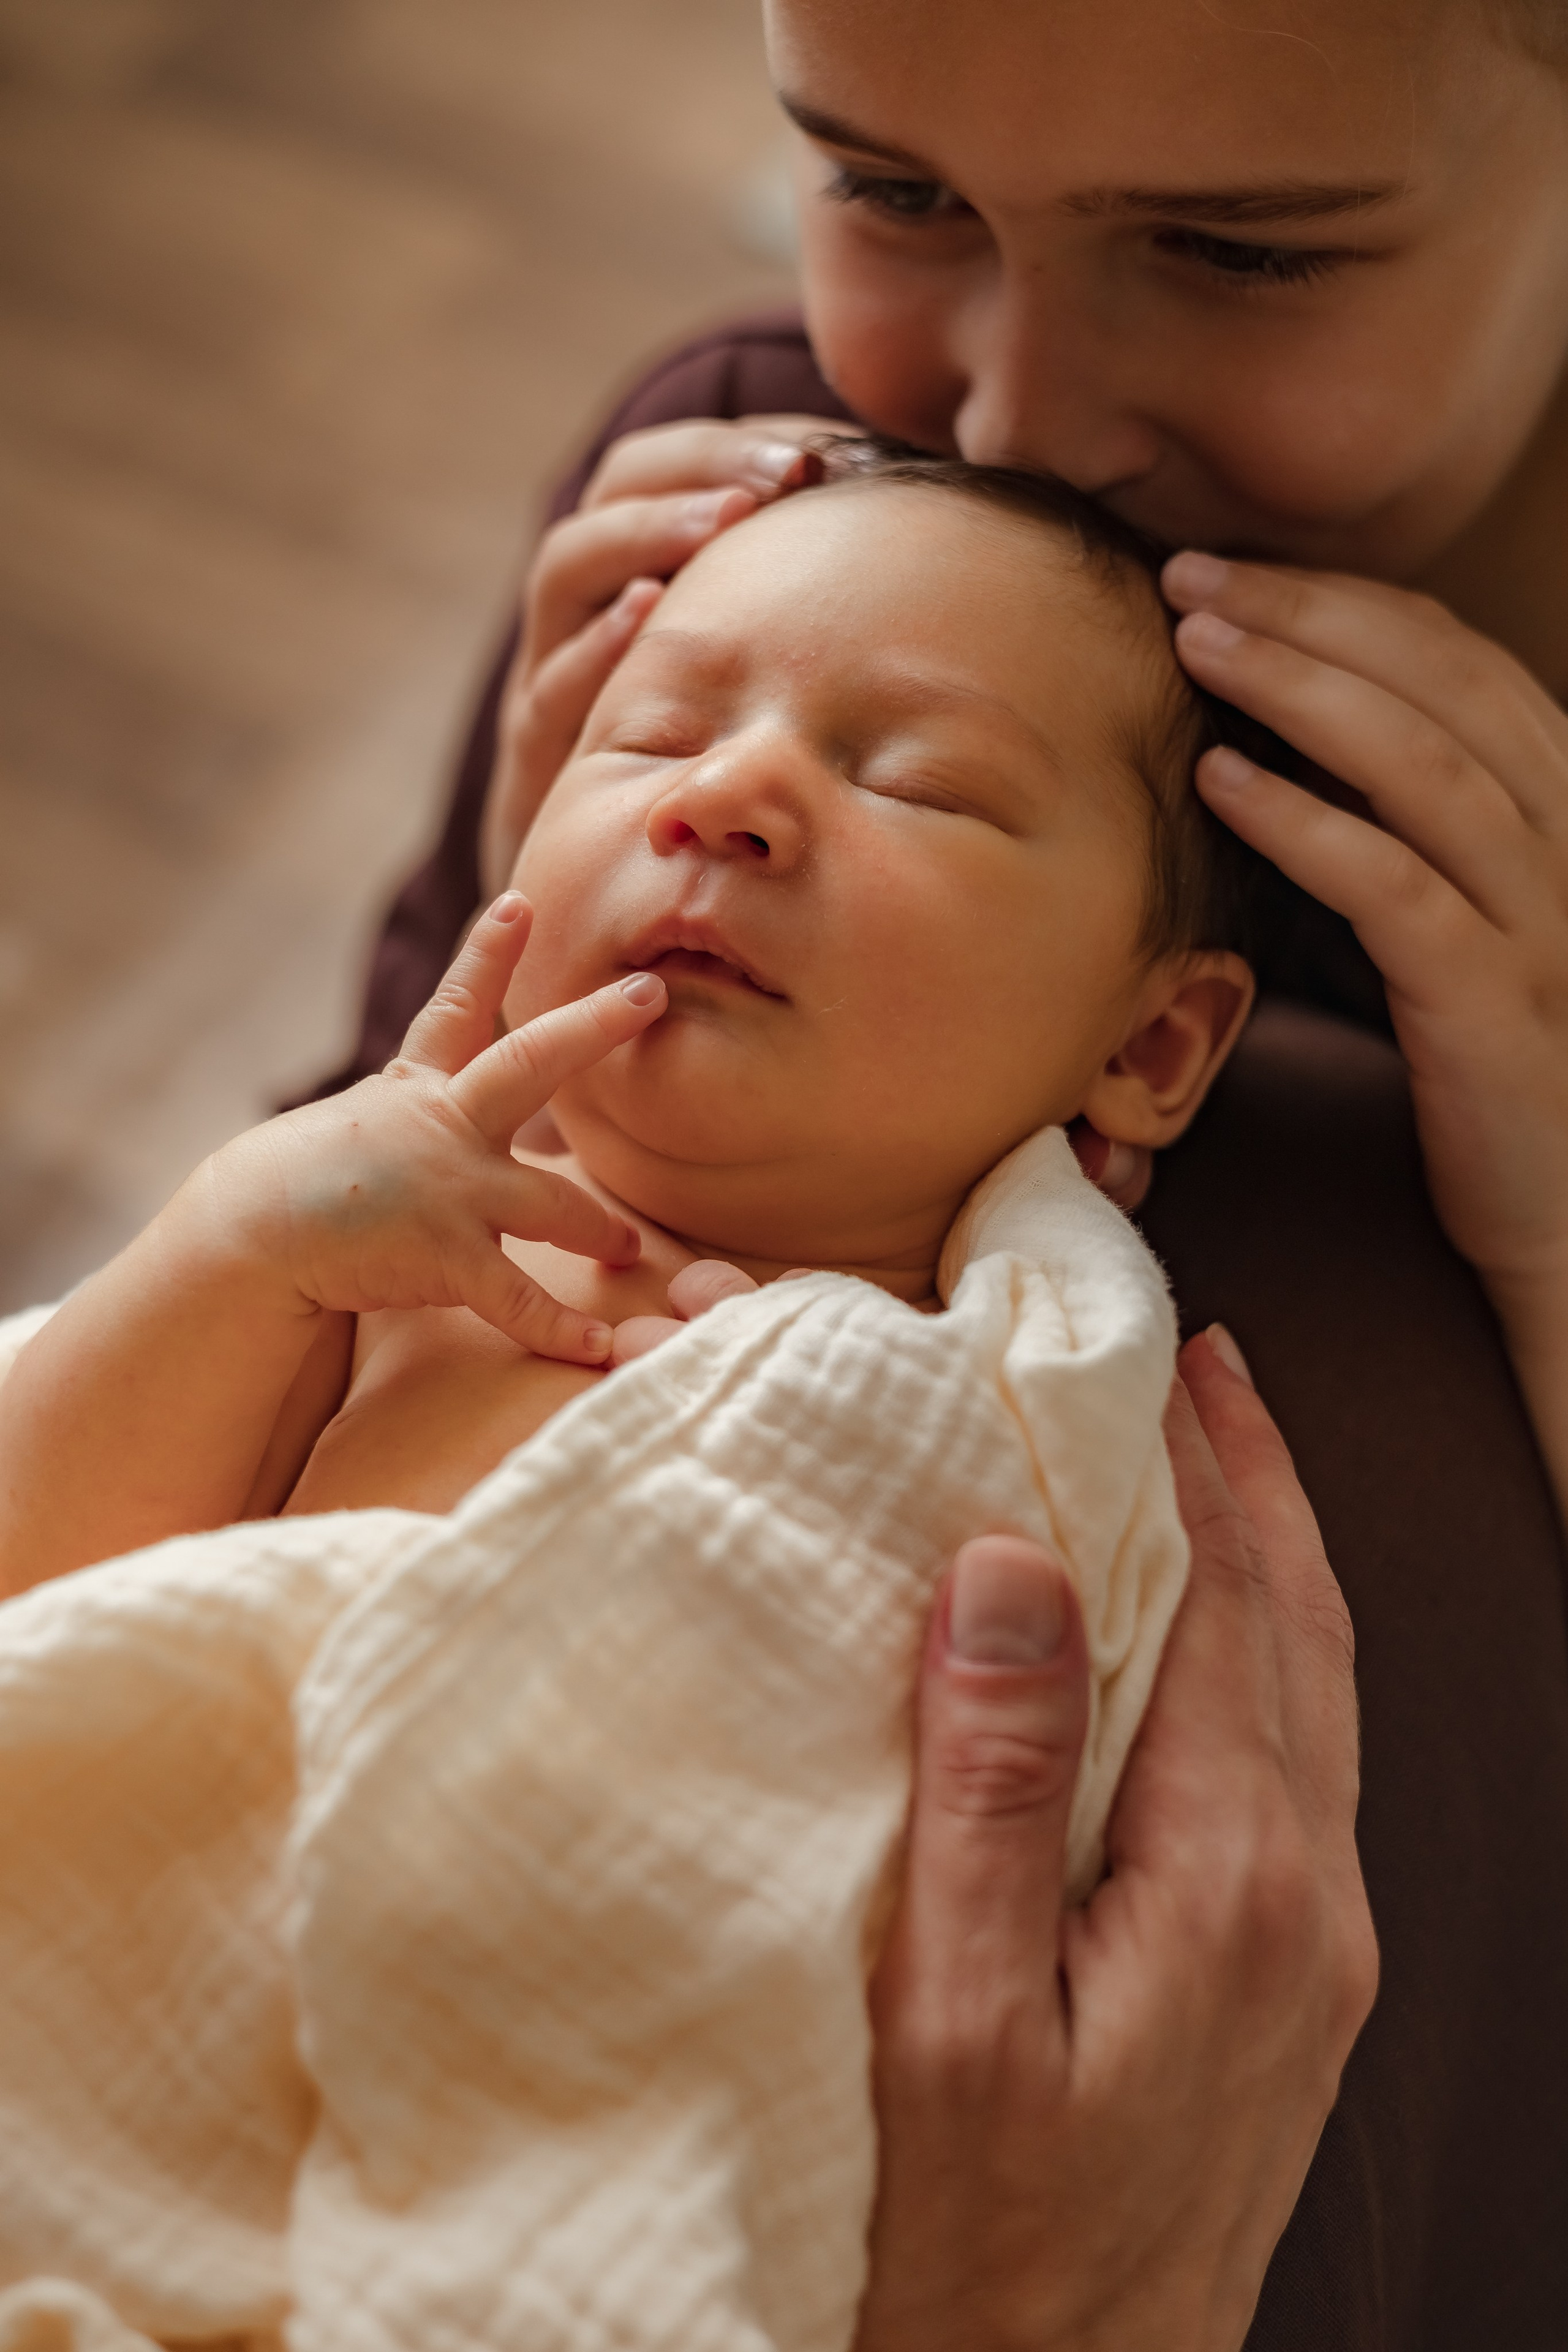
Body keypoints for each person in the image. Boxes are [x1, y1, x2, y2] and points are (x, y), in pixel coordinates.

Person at [311, 1, 1568, 2345]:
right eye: (892, 192)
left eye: (1236, 248)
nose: (1007, 419)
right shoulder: (743, 497)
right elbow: (304, 1254)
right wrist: (495, 1016)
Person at [0, 457, 1360, 2352]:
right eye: (651, 736)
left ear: (1145, 1045)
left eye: (919, 780)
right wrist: (231, 1250)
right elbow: (41, 1601)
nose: (728, 799)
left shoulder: (1024, 1402)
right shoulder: (363, 1261)